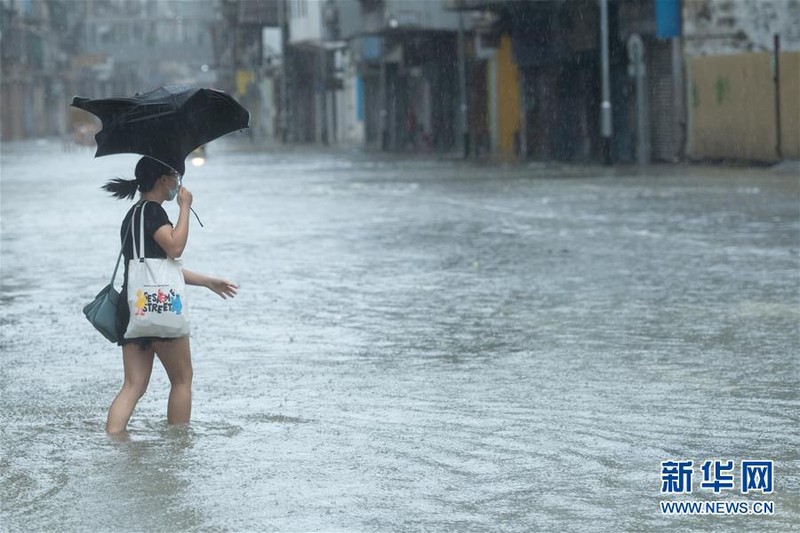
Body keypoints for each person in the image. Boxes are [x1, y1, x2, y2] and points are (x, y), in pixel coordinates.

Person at [102, 156, 238, 435]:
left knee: (133, 385)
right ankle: (178, 449)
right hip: (159, 308)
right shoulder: (154, 212)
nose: (178, 182)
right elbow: (175, 248)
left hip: (134, 307)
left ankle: (113, 441)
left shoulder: (133, 215)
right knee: (182, 379)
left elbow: (157, 271)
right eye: (175, 176)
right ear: (163, 180)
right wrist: (185, 207)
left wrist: (208, 281)